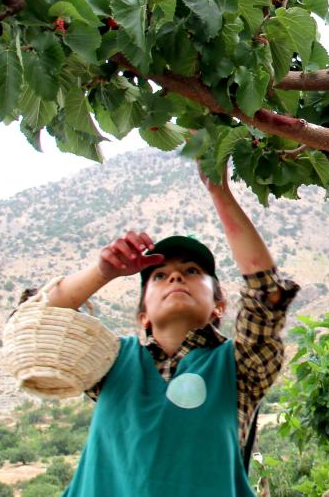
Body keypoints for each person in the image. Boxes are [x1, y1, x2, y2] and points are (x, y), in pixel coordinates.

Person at [40, 163, 299, 497]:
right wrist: (102, 272)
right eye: (158, 276)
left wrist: (218, 188)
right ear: (143, 315)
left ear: (218, 307)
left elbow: (266, 291)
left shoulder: (240, 367)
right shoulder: (108, 361)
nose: (175, 277)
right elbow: (38, 321)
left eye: (191, 271)